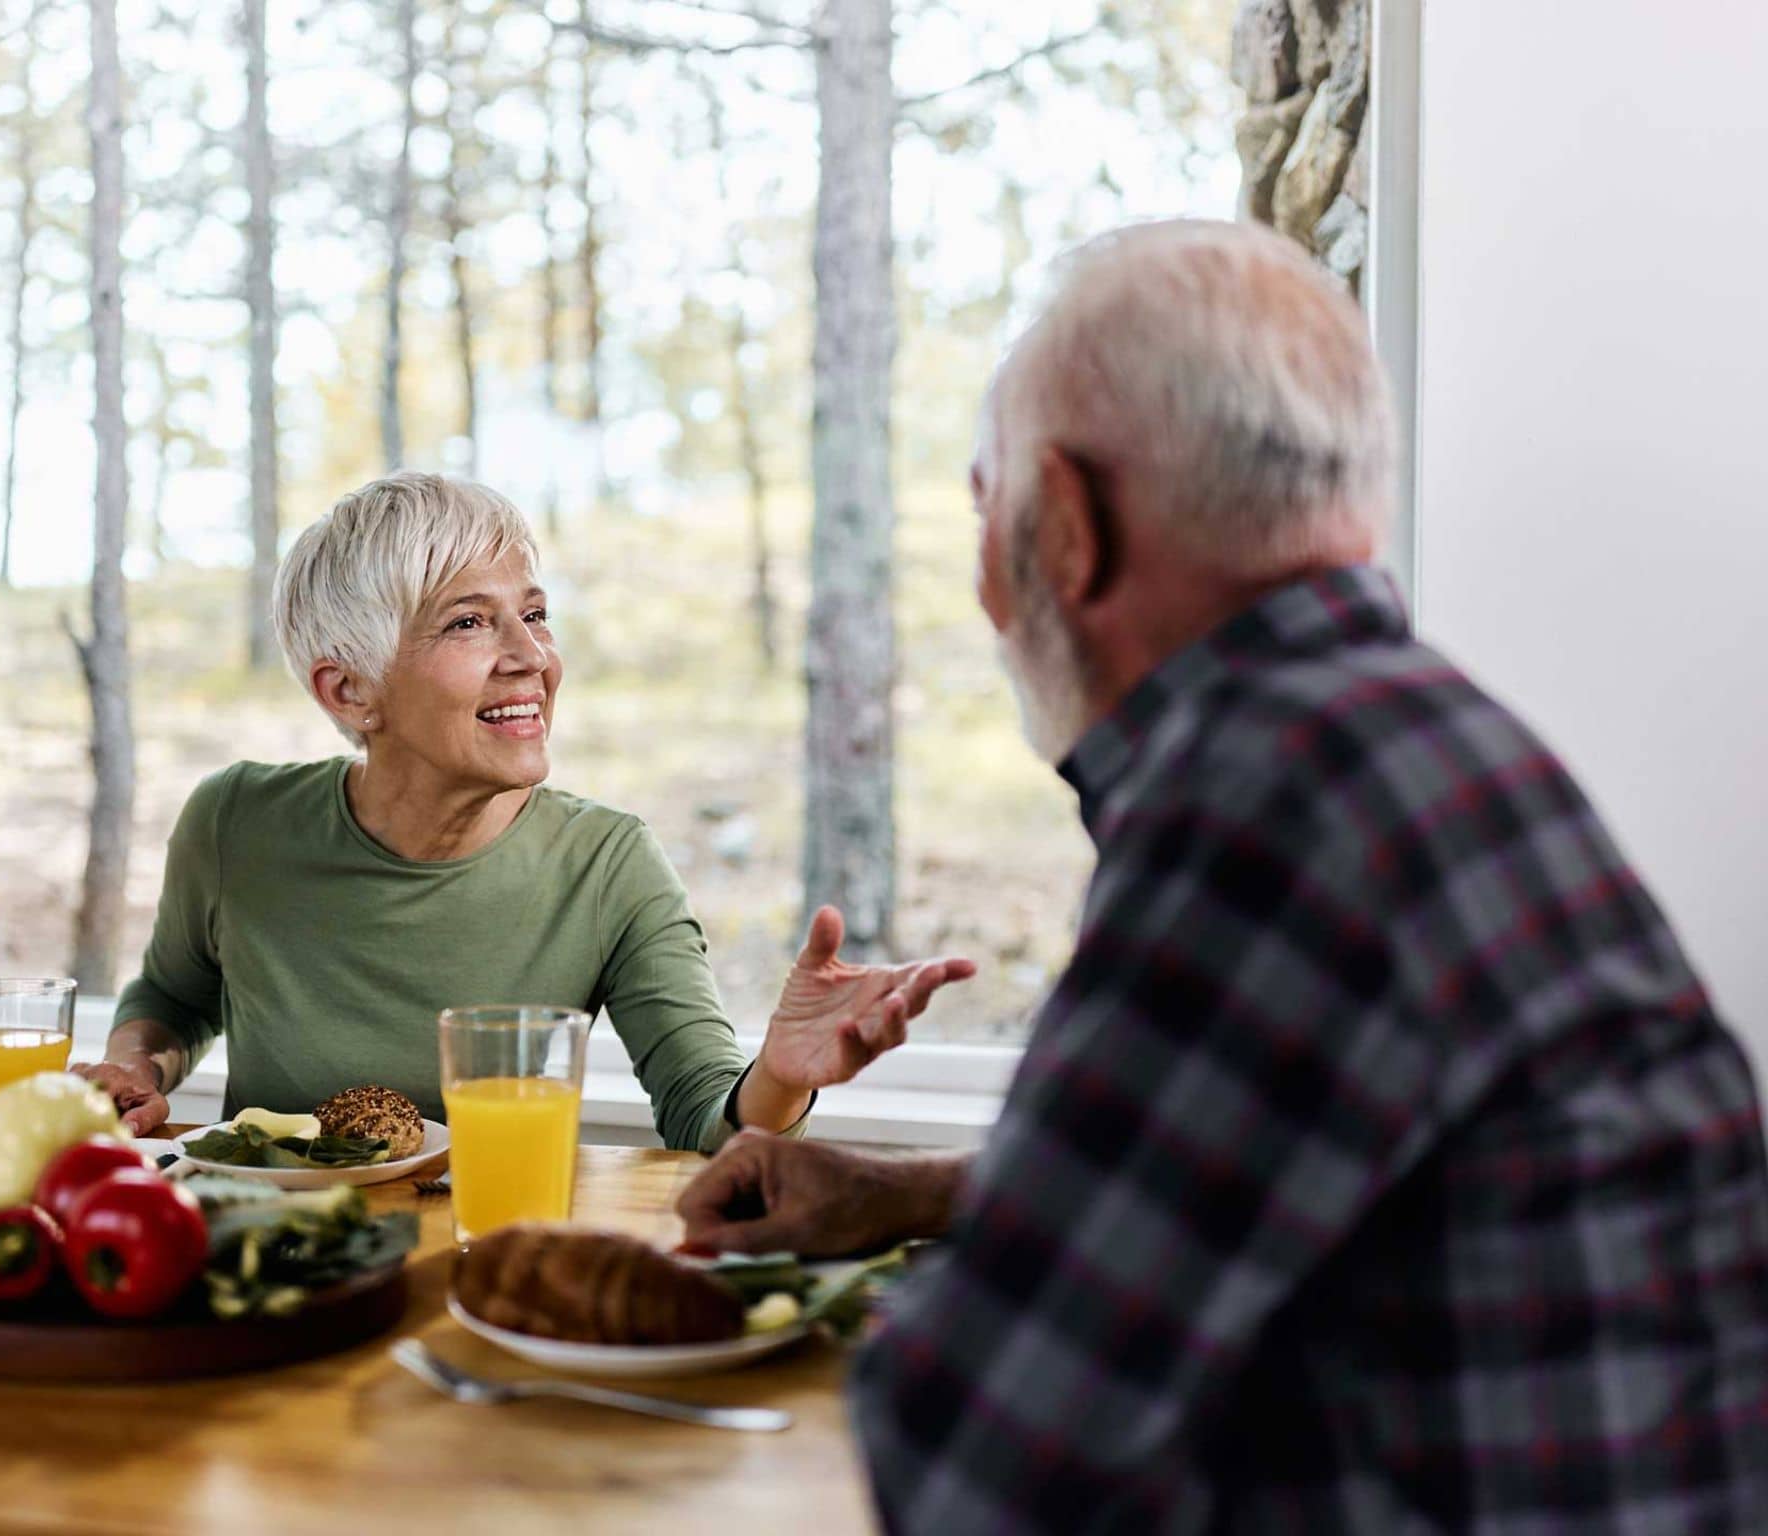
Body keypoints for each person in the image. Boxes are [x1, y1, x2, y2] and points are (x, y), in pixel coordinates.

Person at [678, 220, 1768, 1530]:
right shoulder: (1400, 739)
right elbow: (1311, 1189)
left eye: (988, 507)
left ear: (1066, 530)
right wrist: (908, 1196)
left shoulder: (1273, 797)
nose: (982, 586)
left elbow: (975, 1464)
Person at [75, 472, 973, 1147]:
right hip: (289, 1261)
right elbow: (175, 995)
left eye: (534, 615)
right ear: (350, 691)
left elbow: (707, 1112)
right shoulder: (237, 824)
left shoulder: (608, 864)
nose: (531, 657)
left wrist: (780, 1076)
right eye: (468, 623)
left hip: (494, 1261)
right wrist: (135, 1067)